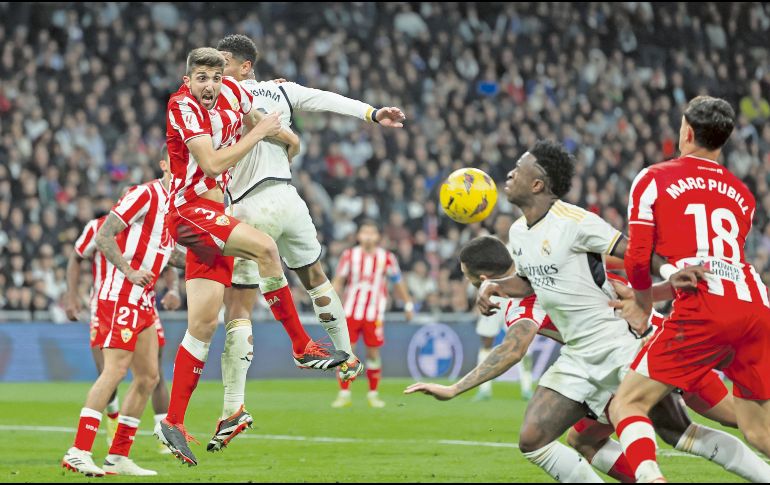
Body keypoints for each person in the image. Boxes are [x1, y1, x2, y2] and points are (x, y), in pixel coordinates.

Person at [405, 141, 770, 483]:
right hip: (579, 355)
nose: (509, 175)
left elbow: (632, 250)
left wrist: (669, 273)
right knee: (533, 438)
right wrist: (498, 286)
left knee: (683, 430)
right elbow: (532, 284)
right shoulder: (518, 234)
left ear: (537, 184)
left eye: (518, 168)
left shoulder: (575, 221)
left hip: (620, 342)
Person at [204, 34, 405, 449]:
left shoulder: (221, 94)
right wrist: (371, 113)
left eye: (225, 62)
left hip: (249, 205)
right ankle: (346, 355)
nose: (218, 69)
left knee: (239, 304)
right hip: (289, 198)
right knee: (315, 275)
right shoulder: (283, 90)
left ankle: (232, 408)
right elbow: (326, 98)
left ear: (245, 67)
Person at [155, 47, 348, 466]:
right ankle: (301, 346)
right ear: (188, 80)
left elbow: (263, 122)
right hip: (191, 212)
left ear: (226, 78)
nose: (209, 85)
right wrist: (258, 135)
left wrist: (287, 138)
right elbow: (210, 162)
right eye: (201, 78)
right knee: (265, 248)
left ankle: (172, 421)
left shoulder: (236, 97)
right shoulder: (182, 106)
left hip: (215, 216)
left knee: (203, 325)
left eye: (216, 77)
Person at [610, 95, 770, 482]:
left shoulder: (653, 178)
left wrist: (642, 305)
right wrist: (660, 293)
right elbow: (713, 267)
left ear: (686, 132)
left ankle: (651, 479)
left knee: (627, 404)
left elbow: (636, 257)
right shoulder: (742, 195)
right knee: (758, 431)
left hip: (706, 312)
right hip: (756, 306)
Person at [61, 157, 185, 476]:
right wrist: (128, 270)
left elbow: (167, 254)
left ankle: (118, 456)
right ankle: (79, 450)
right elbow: (104, 235)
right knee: (114, 371)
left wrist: (214, 260)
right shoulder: (145, 194)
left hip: (143, 300)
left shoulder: (175, 205)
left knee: (148, 377)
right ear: (164, 163)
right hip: (120, 294)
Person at [330, 220, 414, 409]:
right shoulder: (350, 255)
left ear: (378, 237)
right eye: (364, 232)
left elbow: (398, 281)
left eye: (372, 232)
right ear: (359, 236)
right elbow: (339, 280)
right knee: (346, 352)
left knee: (373, 353)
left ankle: (373, 394)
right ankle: (344, 393)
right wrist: (331, 302)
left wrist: (408, 303)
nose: (368, 236)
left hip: (374, 313)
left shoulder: (387, 258)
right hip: (351, 311)